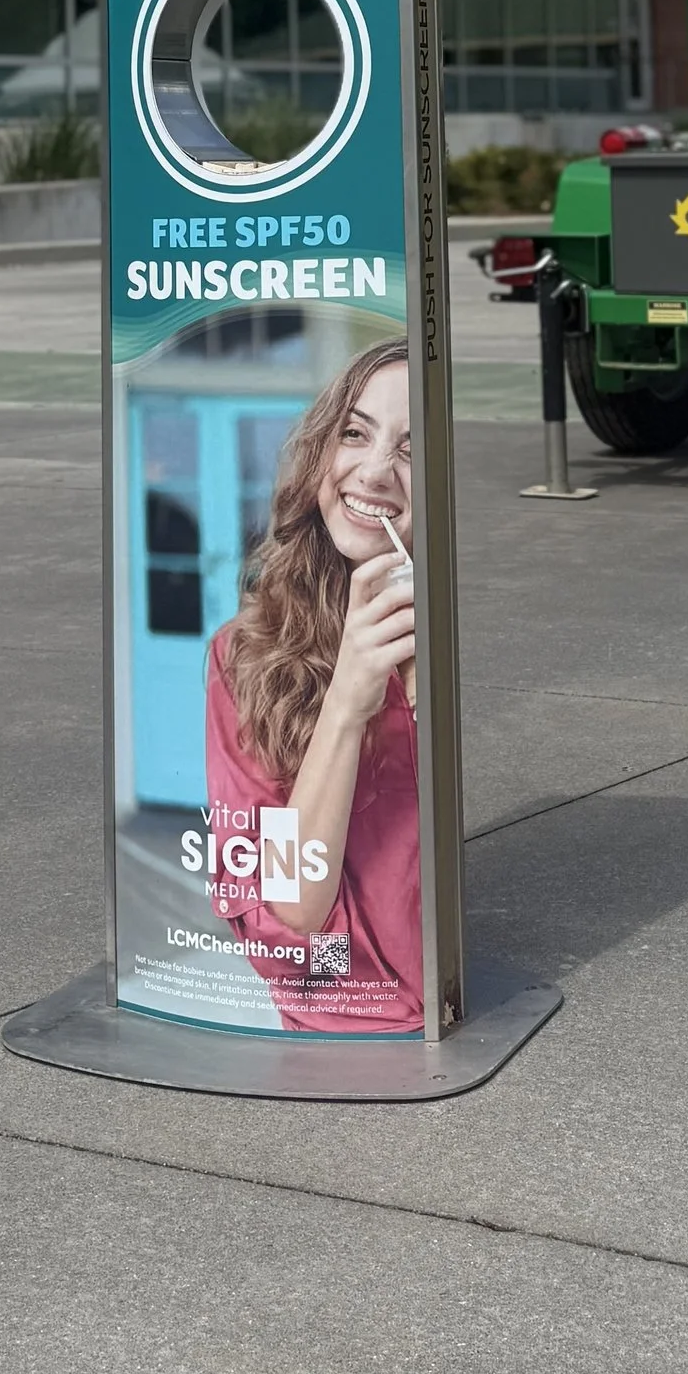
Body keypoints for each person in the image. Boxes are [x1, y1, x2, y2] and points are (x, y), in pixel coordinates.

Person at [203, 340, 422, 1032]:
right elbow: (289, 918)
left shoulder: (455, 638)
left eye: (412, 449)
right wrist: (349, 699)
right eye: (355, 433)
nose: (376, 470)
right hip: (338, 1029)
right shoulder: (245, 653)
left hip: (459, 1015)